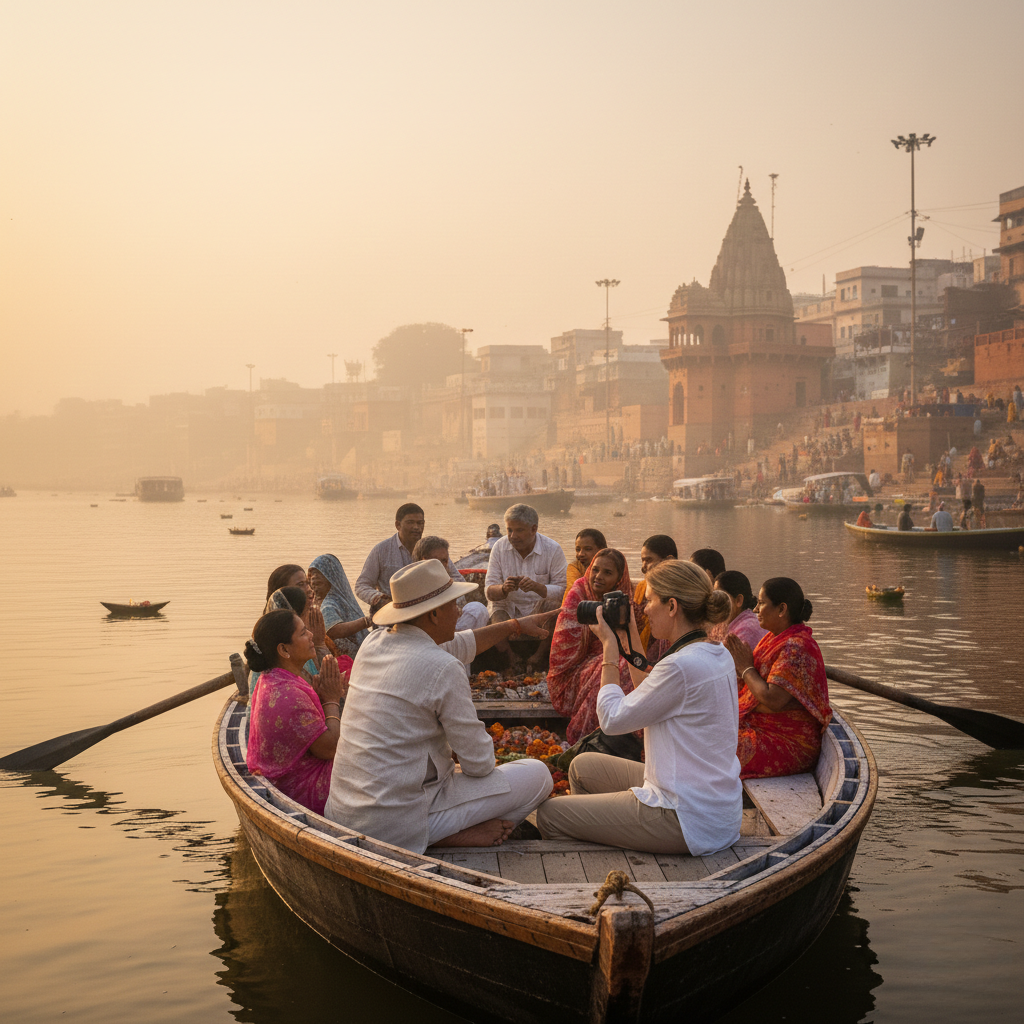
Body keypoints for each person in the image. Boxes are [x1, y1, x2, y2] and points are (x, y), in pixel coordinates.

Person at [324, 561, 552, 853]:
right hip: (395, 825)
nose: (460, 611)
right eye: (454, 604)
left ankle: (442, 826)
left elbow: (459, 644)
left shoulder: (373, 643)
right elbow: (479, 764)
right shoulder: (443, 667)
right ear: (433, 614)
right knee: (538, 776)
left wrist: (515, 625)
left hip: (344, 814)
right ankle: (443, 834)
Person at [536, 560, 742, 856]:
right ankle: (607, 840)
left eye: (649, 601)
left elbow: (610, 719)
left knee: (551, 815)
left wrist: (608, 647)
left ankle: (595, 870)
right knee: (583, 766)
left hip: (684, 818)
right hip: (713, 807)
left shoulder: (681, 665)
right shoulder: (714, 651)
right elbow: (650, 686)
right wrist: (626, 636)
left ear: (672, 606)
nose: (643, 610)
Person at [724, 578, 831, 779]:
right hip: (762, 727)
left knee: (712, 750)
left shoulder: (797, 646)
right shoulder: (772, 637)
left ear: (782, 609)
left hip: (790, 741)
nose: (755, 609)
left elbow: (773, 699)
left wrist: (745, 667)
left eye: (762, 603)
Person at [245, 608, 348, 815]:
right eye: (303, 633)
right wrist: (331, 700)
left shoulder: (272, 678)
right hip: (302, 792)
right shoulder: (288, 694)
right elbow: (329, 748)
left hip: (286, 783)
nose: (311, 635)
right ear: (283, 650)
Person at [548, 549, 641, 744]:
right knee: (619, 666)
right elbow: (562, 652)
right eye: (595, 570)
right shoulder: (578, 593)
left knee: (629, 666)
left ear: (618, 579)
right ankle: (590, 736)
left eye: (607, 573)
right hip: (572, 672)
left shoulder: (623, 598)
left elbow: (630, 644)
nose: (598, 577)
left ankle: (622, 733)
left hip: (612, 660)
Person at [484, 503, 567, 670]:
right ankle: (510, 656)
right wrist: (504, 589)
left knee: (556, 607)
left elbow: (562, 592)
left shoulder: (553, 549)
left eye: (519, 530)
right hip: (509, 607)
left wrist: (537, 587)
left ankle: (538, 657)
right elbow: (489, 591)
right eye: (509, 530)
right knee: (496, 608)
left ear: (533, 529)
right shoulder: (499, 547)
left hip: (539, 607)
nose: (513, 536)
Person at [356, 503, 463, 615]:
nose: (416, 527)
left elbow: (458, 580)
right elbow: (362, 585)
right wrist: (380, 599)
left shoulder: (432, 549)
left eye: (420, 523)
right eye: (410, 522)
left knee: (474, 608)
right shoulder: (381, 550)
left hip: (428, 611)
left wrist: (443, 597)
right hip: (394, 613)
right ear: (398, 525)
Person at [412, 535, 489, 631]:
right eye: (438, 561)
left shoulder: (445, 580)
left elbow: (461, 585)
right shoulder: (416, 585)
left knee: (477, 608)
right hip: (431, 633)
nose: (444, 565)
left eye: (445, 561)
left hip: (451, 629)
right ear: (424, 560)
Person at [308, 554, 371, 657]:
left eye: (317, 575)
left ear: (331, 577)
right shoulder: (327, 604)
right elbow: (333, 630)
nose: (313, 581)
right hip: (342, 660)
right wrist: (367, 621)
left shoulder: (335, 601)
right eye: (311, 577)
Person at [634, 535, 677, 662]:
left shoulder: (680, 591)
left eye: (648, 560)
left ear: (668, 560)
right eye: (642, 561)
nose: (643, 567)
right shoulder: (643, 587)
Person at [709, 571, 768, 652]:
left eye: (721, 596)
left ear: (738, 600)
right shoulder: (728, 623)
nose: (715, 602)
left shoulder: (747, 629)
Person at [563, 528, 608, 601]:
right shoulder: (575, 567)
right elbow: (571, 598)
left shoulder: (613, 566)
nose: (581, 554)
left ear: (601, 550)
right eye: (578, 550)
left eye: (588, 549)